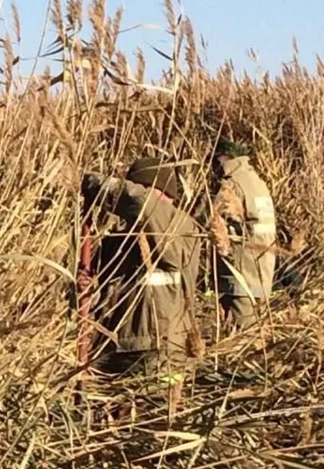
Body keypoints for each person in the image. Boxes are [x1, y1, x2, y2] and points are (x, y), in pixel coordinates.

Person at [82, 157, 202, 382]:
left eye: (143, 187)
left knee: (155, 413)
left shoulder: (178, 225)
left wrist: (98, 184)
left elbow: (142, 203)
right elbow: (101, 292)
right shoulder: (119, 239)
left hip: (160, 352)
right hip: (115, 349)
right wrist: (86, 290)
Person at [203, 139, 277, 331]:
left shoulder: (232, 185)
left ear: (222, 159)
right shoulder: (257, 181)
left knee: (239, 335)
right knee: (255, 334)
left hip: (240, 275)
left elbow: (213, 222)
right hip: (262, 272)